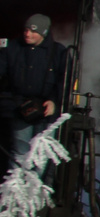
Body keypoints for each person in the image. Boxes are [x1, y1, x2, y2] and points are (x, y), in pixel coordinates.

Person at [1, 14, 68, 174]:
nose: (27, 34)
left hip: (46, 112)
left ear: (44, 33)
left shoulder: (59, 53)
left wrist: (53, 101)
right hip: (19, 109)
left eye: (33, 31)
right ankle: (16, 193)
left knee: (41, 155)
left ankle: (35, 192)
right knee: (20, 152)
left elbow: (64, 82)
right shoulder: (12, 48)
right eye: (26, 30)